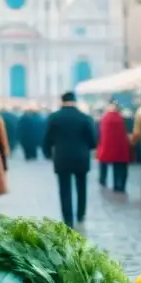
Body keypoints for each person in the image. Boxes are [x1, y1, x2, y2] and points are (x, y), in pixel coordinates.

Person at [43, 91, 97, 227]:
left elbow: (47, 138)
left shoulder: (54, 117)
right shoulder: (84, 117)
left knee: (64, 188)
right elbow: (93, 140)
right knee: (82, 186)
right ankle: (81, 213)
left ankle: (68, 218)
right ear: (75, 101)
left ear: (62, 101)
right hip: (81, 157)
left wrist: (48, 154)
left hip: (62, 157)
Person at [96, 100, 131, 192]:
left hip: (106, 146)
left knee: (103, 164)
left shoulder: (104, 118)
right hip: (120, 147)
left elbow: (98, 133)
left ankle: (102, 180)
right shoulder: (122, 118)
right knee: (119, 166)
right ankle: (119, 185)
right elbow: (128, 132)